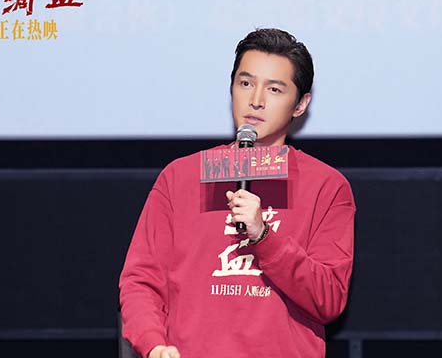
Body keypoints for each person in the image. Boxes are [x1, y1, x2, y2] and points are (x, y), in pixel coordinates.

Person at [119, 28, 355, 358]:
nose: (256, 99)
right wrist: (153, 344)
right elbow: (141, 281)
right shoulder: (181, 177)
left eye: (274, 89)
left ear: (300, 104)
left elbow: (328, 299)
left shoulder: (326, 186)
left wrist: (264, 237)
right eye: (245, 83)